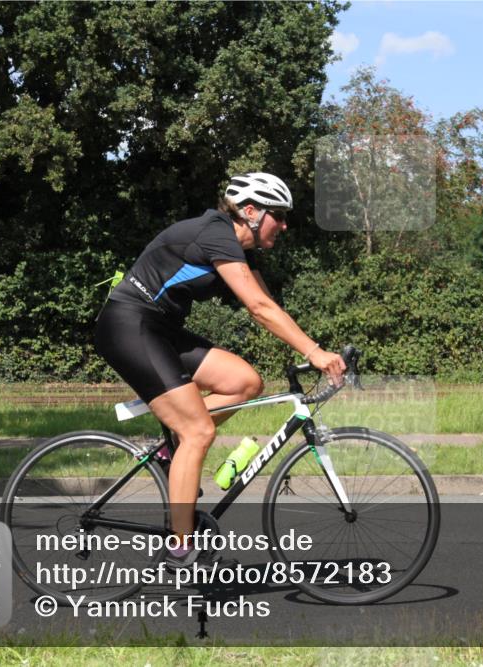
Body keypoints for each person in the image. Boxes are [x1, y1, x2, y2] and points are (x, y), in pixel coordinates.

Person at [94, 172, 346, 569]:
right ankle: (180, 547)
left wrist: (317, 348)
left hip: (160, 331)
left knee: (244, 382)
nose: (283, 225)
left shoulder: (239, 250)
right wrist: (315, 352)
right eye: (277, 216)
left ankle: (168, 453)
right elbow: (258, 310)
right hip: (129, 326)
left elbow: (268, 303)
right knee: (198, 430)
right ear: (250, 212)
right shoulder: (216, 234)